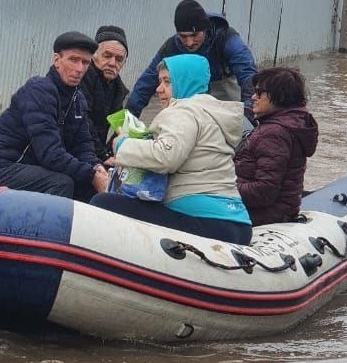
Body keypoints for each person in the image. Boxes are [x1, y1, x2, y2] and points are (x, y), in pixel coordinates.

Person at [91, 54, 252, 245]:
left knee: (103, 203)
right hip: (238, 224)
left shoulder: (183, 111)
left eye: (167, 82)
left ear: (185, 82)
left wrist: (122, 144)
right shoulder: (211, 113)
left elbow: (165, 156)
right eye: (159, 82)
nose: (159, 89)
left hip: (204, 221)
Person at [0, 31, 110, 199]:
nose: (79, 68)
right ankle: (49, 225)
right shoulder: (39, 91)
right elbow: (50, 154)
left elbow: (83, 145)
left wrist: (97, 167)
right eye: (73, 60)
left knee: (88, 183)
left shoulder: (78, 99)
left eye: (85, 62)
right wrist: (91, 174)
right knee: (61, 182)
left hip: (32, 168)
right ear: (56, 60)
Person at [125, 0, 257, 118]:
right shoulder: (171, 47)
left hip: (224, 96)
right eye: (183, 36)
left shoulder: (226, 38)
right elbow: (145, 84)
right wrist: (126, 121)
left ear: (205, 29)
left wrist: (248, 111)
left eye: (194, 35)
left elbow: (248, 75)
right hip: (188, 105)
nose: (189, 42)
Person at [234, 66, 319, 226]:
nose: (253, 97)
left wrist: (220, 188)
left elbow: (264, 191)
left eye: (259, 93)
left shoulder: (274, 133)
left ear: (279, 96)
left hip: (265, 214)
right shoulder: (292, 124)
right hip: (282, 210)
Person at [77, 25, 130, 161]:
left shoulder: (117, 87)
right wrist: (102, 155)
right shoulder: (81, 78)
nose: (112, 63)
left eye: (119, 59)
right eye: (107, 56)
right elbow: (83, 121)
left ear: (124, 62)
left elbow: (120, 125)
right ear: (94, 55)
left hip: (93, 151)